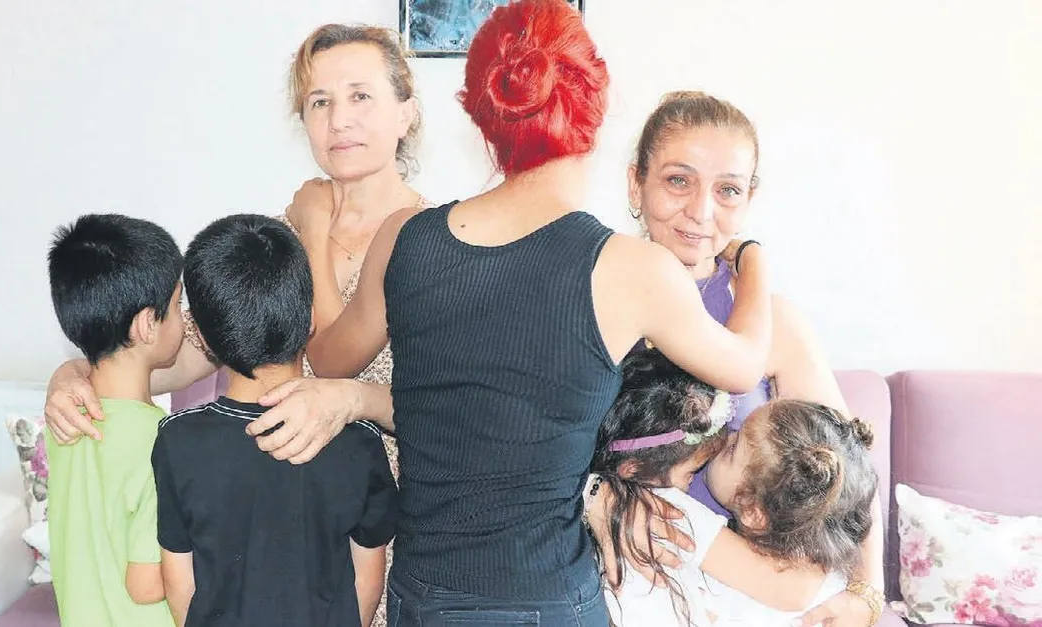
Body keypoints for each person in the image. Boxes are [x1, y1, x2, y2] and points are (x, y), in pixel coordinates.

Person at [297, 1, 774, 623]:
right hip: (545, 600)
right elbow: (744, 364)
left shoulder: (404, 237)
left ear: (481, 115)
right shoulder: (632, 269)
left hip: (422, 596)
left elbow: (327, 357)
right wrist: (753, 259)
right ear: (595, 112)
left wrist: (313, 233)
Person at [44, 28, 427, 625]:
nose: (339, 120)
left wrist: (354, 399)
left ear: (406, 111)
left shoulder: (444, 243)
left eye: (360, 95)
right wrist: (74, 373)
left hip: (393, 530)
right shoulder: (269, 241)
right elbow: (164, 351)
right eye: (319, 101)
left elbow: (461, 413)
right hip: (266, 549)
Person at [625, 90, 886, 626]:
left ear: (748, 200)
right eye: (678, 180)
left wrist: (866, 592)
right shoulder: (597, 307)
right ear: (636, 184)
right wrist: (604, 500)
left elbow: (850, 477)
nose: (701, 212)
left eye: (727, 190)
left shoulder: (775, 324)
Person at [153, 214, 396, 627]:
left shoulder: (177, 441)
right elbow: (368, 577)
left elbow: (179, 580)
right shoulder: (359, 441)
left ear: (203, 337)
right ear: (310, 319)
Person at [587, 348, 880, 626]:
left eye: (732, 449)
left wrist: (594, 489)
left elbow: (793, 592)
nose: (726, 437)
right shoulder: (830, 579)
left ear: (753, 512)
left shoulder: (674, 516)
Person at [44, 214, 183, 627]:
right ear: (147, 324)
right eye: (178, 305)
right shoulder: (163, 441)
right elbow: (148, 585)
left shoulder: (64, 418)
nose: (183, 317)